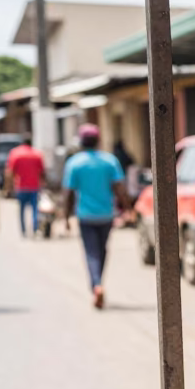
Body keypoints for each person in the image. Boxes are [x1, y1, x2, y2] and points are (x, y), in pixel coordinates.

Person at [63, 124, 126, 309]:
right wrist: (128, 208)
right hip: (106, 214)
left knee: (91, 252)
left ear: (81, 142)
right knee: (102, 250)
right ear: (98, 141)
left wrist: (66, 217)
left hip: (85, 215)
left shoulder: (74, 162)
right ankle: (99, 283)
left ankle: (96, 285)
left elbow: (68, 193)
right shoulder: (109, 161)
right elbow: (120, 188)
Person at [4, 134, 46, 238]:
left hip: (21, 187)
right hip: (34, 186)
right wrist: (44, 184)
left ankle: (23, 231)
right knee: (35, 209)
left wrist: (8, 188)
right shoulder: (37, 154)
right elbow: (42, 172)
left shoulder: (16, 153)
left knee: (21, 209)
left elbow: (10, 172)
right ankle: (35, 228)